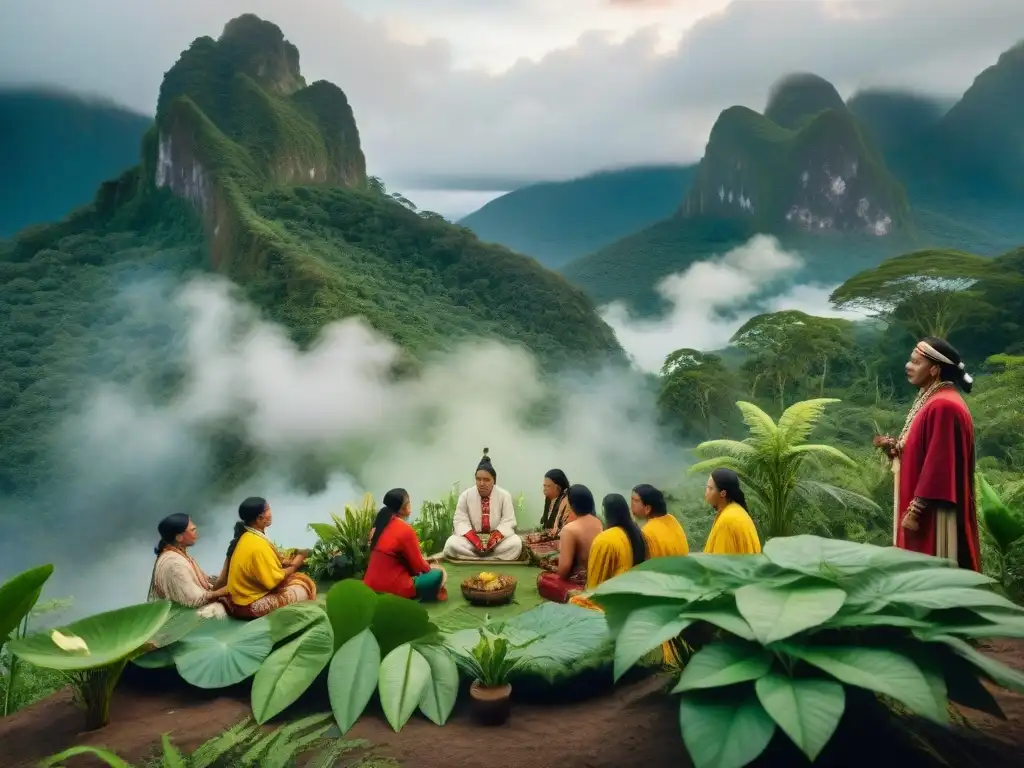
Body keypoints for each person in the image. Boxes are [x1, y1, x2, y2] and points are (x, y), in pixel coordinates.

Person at [874, 337, 981, 571]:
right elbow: (925, 449)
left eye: (915, 361)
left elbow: (940, 464)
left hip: (932, 514)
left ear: (934, 369)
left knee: (930, 575)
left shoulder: (943, 405)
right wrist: (896, 448)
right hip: (923, 506)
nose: (908, 365)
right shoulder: (932, 398)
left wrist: (917, 509)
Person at [222, 497, 318, 619]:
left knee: (296, 579)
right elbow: (274, 582)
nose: (271, 513)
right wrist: (295, 565)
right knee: (303, 586)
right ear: (259, 519)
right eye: (268, 509)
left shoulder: (248, 535)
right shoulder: (257, 545)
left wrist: (290, 560)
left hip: (240, 598)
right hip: (247, 605)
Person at [363, 488, 448, 602]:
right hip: (393, 589)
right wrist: (430, 566)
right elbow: (420, 567)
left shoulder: (378, 525)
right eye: (409, 502)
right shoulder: (405, 530)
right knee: (438, 573)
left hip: (370, 586)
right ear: (404, 507)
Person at [443, 449, 523, 560]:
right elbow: (460, 521)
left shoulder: (504, 495)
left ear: (494, 481)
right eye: (478, 479)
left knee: (516, 544)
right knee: (451, 544)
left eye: (486, 480)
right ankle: (488, 559)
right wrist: (474, 539)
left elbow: (508, 521)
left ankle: (476, 559)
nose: (481, 483)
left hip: (497, 542)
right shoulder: (465, 495)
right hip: (472, 540)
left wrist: (495, 538)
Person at [147, 513, 230, 618]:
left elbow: (207, 582)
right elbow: (194, 600)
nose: (197, 534)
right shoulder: (173, 564)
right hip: (180, 619)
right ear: (179, 537)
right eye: (193, 530)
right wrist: (228, 589)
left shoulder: (180, 555)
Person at [536, 484, 604, 602]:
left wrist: (551, 567)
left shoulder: (570, 529)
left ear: (572, 505)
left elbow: (564, 570)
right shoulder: (598, 522)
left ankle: (576, 597)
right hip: (597, 579)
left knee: (543, 579)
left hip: (579, 582)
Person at [703, 469, 761, 554]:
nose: (706, 492)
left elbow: (721, 564)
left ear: (723, 493)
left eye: (710, 488)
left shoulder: (727, 521)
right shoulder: (738, 511)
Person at [632, 484, 689, 557]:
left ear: (647, 509)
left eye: (636, 501)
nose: (632, 505)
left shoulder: (647, 532)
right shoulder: (672, 519)